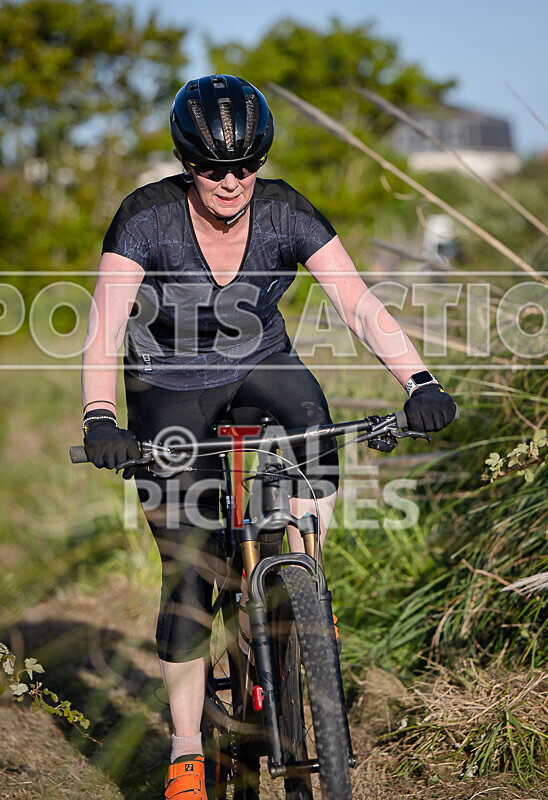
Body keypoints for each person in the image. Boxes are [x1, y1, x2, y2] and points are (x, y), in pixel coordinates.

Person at [81, 75, 456, 799]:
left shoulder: (285, 211)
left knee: (316, 424)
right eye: (214, 168)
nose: (231, 181)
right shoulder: (144, 218)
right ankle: (188, 749)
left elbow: (358, 304)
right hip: (169, 383)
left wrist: (420, 382)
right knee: (188, 574)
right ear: (187, 163)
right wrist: (101, 418)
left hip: (262, 362)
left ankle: (305, 583)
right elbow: (103, 329)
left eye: (246, 165)